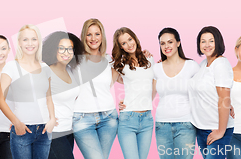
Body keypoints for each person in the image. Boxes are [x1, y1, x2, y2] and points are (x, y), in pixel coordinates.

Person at [0, 24, 57, 159]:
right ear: (19, 42)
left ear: (39, 41)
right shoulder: (11, 67)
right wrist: (17, 123)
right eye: (25, 39)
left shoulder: (45, 67)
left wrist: (52, 119)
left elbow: (49, 98)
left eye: (34, 39)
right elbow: (0, 99)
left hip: (44, 131)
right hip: (22, 130)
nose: (30, 43)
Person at [72, 18, 120, 159]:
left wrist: (146, 56)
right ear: (84, 37)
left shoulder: (109, 60)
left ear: (102, 36)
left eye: (97, 34)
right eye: (89, 34)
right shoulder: (75, 59)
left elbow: (111, 84)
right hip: (82, 118)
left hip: (109, 118)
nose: (93, 38)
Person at [154, 27, 199, 159]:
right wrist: (127, 103)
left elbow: (202, 93)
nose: (166, 46)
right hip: (162, 125)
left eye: (170, 42)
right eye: (162, 43)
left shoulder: (192, 66)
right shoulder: (156, 68)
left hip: (186, 124)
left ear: (178, 43)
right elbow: (147, 95)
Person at [190, 26, 233, 159]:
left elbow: (224, 98)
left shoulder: (220, 64)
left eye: (211, 41)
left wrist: (221, 131)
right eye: (203, 41)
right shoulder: (203, 64)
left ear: (218, 42)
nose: (207, 45)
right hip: (201, 128)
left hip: (217, 129)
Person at [112, 27, 154, 159]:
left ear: (135, 38)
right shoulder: (120, 64)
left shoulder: (149, 60)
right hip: (128, 119)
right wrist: (118, 103)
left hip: (147, 119)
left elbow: (153, 86)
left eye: (130, 39)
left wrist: (146, 100)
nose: (129, 44)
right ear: (121, 47)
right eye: (124, 43)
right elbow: (106, 86)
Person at [42, 31, 83, 159]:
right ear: (54, 50)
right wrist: (45, 118)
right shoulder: (45, 70)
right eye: (62, 49)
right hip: (52, 133)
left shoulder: (71, 71)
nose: (66, 53)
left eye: (70, 49)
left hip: (69, 130)